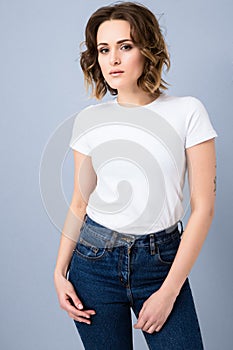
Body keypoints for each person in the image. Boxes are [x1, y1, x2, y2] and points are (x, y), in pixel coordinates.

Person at [54, 2, 218, 349]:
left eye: (124, 46)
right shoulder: (89, 121)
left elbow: (203, 207)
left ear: (147, 49)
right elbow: (80, 201)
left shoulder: (187, 111)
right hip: (94, 263)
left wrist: (169, 291)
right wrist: (58, 272)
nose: (113, 58)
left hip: (161, 263)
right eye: (104, 49)